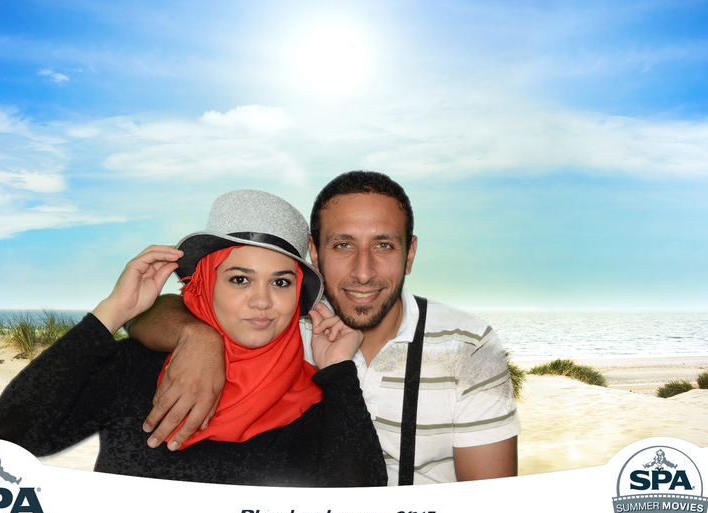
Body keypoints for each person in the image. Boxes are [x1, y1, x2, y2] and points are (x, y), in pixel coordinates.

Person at [130, 171, 521, 485]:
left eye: (383, 245)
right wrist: (197, 336)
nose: (363, 273)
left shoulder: (468, 345)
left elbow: (487, 509)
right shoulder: (279, 325)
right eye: (343, 245)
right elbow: (153, 312)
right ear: (315, 253)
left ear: (410, 253)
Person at [0, 190, 387, 487]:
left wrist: (338, 372)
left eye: (281, 282)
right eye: (240, 279)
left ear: (297, 296)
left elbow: (359, 508)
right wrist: (114, 311)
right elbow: (14, 435)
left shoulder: (314, 398)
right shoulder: (137, 366)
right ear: (206, 284)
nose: (262, 301)